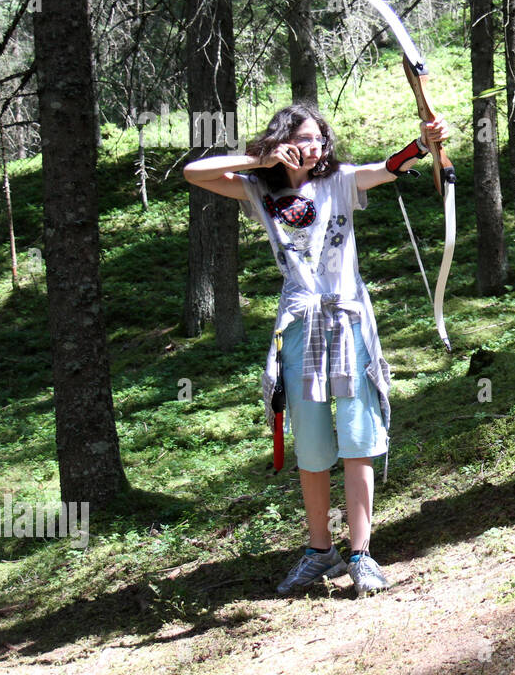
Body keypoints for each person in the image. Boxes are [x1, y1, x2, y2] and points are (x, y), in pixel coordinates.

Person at [183, 104, 446, 595]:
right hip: (301, 322)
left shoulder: (341, 180)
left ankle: (361, 554)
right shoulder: (258, 189)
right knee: (311, 444)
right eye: (302, 139)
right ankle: (320, 550)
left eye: (319, 139)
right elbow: (193, 173)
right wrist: (260, 160)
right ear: (282, 142)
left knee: (358, 434)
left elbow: (389, 167)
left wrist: (424, 143)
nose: (313, 147)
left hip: (347, 319)